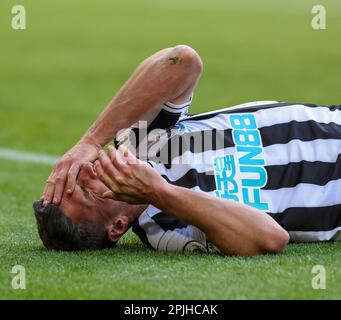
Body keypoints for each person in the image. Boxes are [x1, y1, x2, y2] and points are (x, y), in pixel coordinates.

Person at [34, 45, 341, 255]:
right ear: (116, 227)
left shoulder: (141, 142)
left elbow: (182, 60)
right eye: (87, 191)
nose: (87, 170)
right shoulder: (166, 229)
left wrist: (90, 141)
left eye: (75, 175)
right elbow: (270, 238)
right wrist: (159, 193)